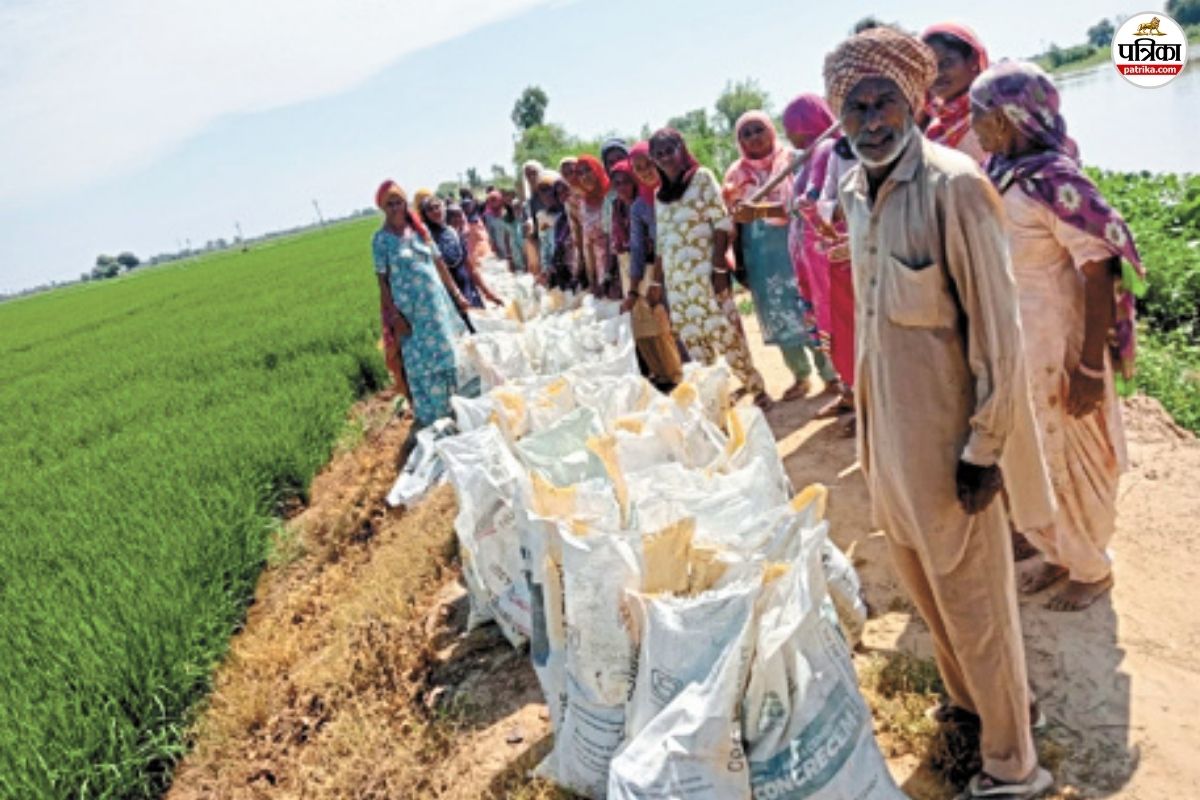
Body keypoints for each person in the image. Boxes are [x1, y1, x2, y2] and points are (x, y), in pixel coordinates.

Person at [825, 27, 1056, 799]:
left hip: (951, 449)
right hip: (889, 445)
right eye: (854, 105)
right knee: (928, 593)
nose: (869, 119)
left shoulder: (955, 186)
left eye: (883, 99)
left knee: (977, 604)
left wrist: (984, 449)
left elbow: (1000, 330)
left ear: (915, 99)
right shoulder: (857, 192)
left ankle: (1012, 767)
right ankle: (975, 712)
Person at [971, 61, 1145, 612]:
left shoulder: (1055, 180)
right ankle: (1058, 552)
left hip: (1060, 341)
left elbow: (1100, 268)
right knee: (1035, 454)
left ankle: (1091, 568)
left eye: (983, 115)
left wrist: (1089, 366)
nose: (974, 126)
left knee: (1073, 451)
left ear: (1014, 117)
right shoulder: (1001, 173)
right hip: (1018, 342)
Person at [648, 127, 768, 407]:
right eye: (659, 154)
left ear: (681, 149)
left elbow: (722, 224)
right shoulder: (658, 195)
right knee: (693, 340)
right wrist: (656, 282)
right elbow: (662, 243)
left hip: (706, 274)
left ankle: (757, 388)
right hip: (678, 285)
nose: (666, 157)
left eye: (670, 150)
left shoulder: (701, 178)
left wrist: (717, 271)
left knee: (727, 334)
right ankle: (716, 399)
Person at [725, 109, 839, 402]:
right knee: (777, 314)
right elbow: (734, 222)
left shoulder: (792, 160)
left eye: (758, 129)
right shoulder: (735, 175)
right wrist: (738, 265)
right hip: (761, 258)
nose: (753, 138)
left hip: (795, 249)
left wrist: (759, 210)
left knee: (807, 308)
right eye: (746, 134)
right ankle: (799, 376)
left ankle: (829, 374)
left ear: (771, 131)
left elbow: (799, 205)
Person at [782, 94, 858, 429]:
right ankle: (851, 395)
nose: (793, 136)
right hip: (818, 263)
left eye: (797, 128)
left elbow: (816, 202)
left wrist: (804, 203)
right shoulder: (809, 157)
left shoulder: (829, 151)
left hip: (835, 261)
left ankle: (865, 406)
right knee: (834, 330)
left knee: (846, 330)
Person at [372, 180, 471, 428]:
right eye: (389, 204)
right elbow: (383, 282)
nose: (395, 207)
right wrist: (394, 317)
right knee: (421, 366)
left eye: (399, 202)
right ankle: (434, 421)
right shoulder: (381, 240)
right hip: (410, 315)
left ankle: (458, 412)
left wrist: (457, 294)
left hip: (437, 308)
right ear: (383, 208)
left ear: (406, 204)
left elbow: (439, 264)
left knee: (447, 356)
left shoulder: (420, 231)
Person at [611, 157, 683, 386]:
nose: (622, 187)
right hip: (635, 270)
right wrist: (633, 289)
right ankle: (665, 374)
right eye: (617, 183)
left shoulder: (667, 195)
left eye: (626, 181)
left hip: (669, 266)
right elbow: (635, 247)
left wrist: (652, 281)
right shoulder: (632, 207)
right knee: (645, 326)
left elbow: (659, 242)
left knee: (667, 325)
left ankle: (682, 373)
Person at [922, 22, 989, 164]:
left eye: (947, 63)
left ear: (972, 60)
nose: (937, 74)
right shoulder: (935, 128)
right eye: (930, 67)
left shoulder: (993, 117)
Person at [419, 196, 502, 310]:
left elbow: (469, 265)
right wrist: (457, 295)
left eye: (437, 206)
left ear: (443, 208)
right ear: (424, 214)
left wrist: (487, 291)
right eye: (429, 209)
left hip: (468, 289)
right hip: (447, 296)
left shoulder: (452, 232)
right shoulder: (425, 239)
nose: (435, 211)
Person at [575, 154, 612, 297]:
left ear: (597, 170)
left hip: (619, 263)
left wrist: (611, 271)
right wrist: (593, 281)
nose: (585, 176)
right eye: (580, 173)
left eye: (588, 170)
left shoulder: (612, 195)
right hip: (601, 266)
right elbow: (588, 245)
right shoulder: (583, 204)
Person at [483, 189, 509, 260]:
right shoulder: (488, 215)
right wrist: (493, 244)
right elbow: (489, 231)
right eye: (492, 200)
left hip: (510, 243)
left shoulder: (505, 212)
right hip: (499, 245)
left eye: (495, 200)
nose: (494, 203)